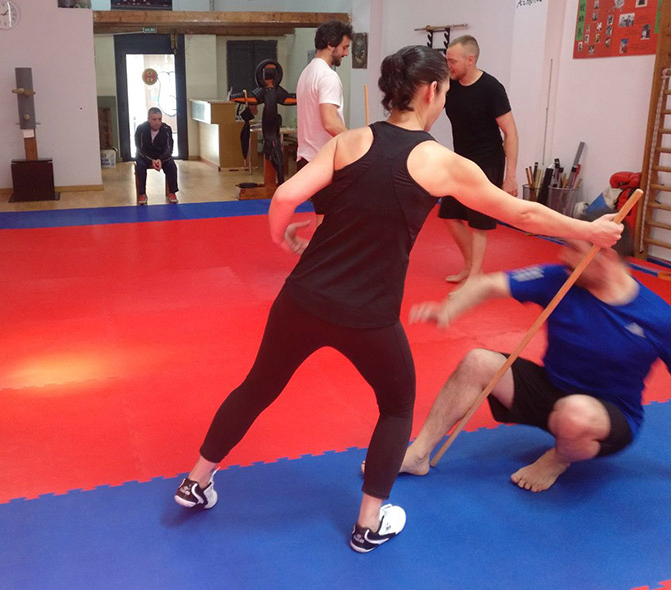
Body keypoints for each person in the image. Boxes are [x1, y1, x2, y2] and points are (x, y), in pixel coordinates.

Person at [173, 45, 622, 554]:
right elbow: (522, 214)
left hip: (301, 298)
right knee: (397, 404)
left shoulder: (350, 141)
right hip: (366, 315)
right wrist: (589, 230)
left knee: (257, 387)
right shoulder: (441, 162)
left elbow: (283, 197)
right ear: (431, 91)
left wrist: (282, 237)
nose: (444, 98)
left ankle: (196, 480)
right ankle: (368, 524)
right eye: (445, 90)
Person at [404, 218, 671, 493]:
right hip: (551, 392)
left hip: (606, 416)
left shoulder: (662, 320)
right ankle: (418, 454)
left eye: (574, 249)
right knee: (477, 361)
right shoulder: (560, 278)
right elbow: (489, 284)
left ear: (606, 256)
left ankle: (557, 459)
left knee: (575, 412)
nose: (563, 256)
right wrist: (449, 311)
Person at [440, 35, 519, 283]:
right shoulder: (450, 86)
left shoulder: (491, 88)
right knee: (449, 214)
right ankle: (471, 267)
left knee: (478, 221)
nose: (449, 66)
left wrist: (510, 176)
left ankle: (474, 276)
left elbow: (511, 133)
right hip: (461, 160)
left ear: (470, 60)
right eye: (447, 60)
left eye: (452, 61)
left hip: (488, 161)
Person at [295, 19, 353, 222]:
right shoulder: (328, 77)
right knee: (332, 221)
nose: (346, 53)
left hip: (307, 157)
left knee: (325, 218)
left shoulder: (307, 73)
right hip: (323, 159)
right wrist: (357, 140)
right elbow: (329, 122)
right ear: (330, 44)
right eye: (344, 47)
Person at [134, 107, 178, 206]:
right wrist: (151, 160)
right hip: (145, 156)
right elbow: (139, 149)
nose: (157, 122)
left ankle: (172, 192)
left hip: (162, 156)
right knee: (140, 166)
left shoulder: (166, 129)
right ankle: (142, 194)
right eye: (154, 119)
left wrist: (160, 159)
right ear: (148, 119)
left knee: (171, 165)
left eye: (159, 119)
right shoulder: (141, 129)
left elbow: (169, 148)